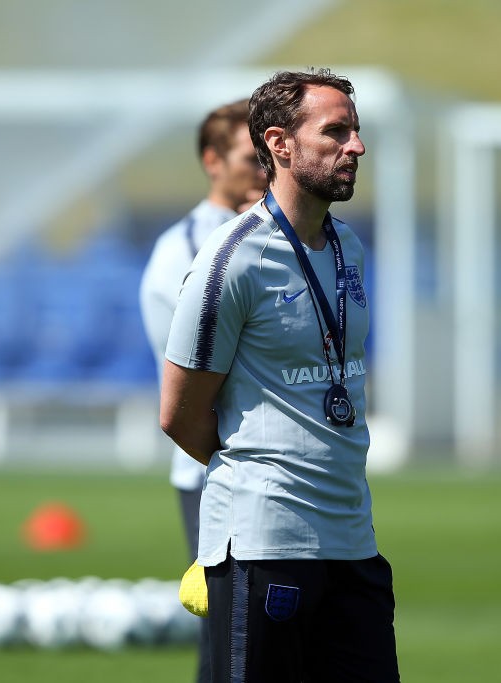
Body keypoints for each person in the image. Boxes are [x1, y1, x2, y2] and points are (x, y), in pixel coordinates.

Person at [159, 69, 400, 682]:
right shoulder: (231, 258)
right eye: (336, 131)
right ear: (280, 143)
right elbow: (179, 413)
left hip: (352, 539)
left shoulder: (349, 247)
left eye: (356, 130)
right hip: (264, 544)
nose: (356, 146)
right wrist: (261, 474)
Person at [139, 98, 266, 683]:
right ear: (212, 161)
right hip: (211, 465)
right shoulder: (183, 249)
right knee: (230, 634)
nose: (264, 169)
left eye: (268, 156)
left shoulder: (272, 234)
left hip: (275, 466)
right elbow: (199, 371)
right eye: (249, 157)